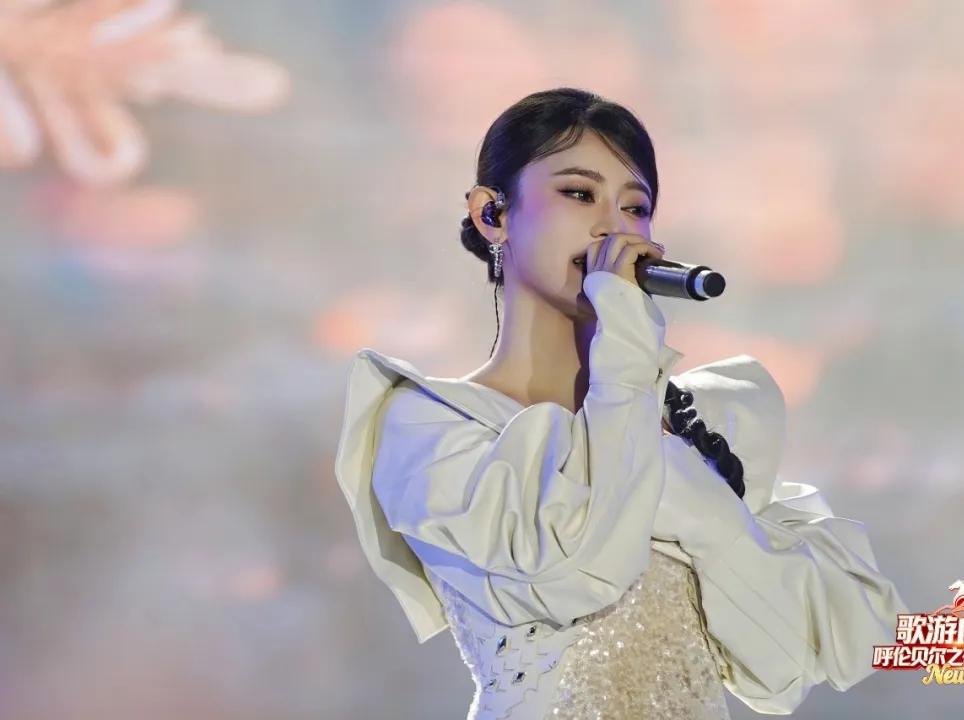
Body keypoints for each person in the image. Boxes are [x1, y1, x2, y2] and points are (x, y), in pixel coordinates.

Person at [334, 87, 909, 719]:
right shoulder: (431, 428)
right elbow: (575, 574)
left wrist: (706, 514)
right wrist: (629, 355)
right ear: (492, 213)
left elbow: (783, 666)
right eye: (579, 194)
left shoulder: (699, 424)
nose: (612, 226)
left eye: (635, 207)